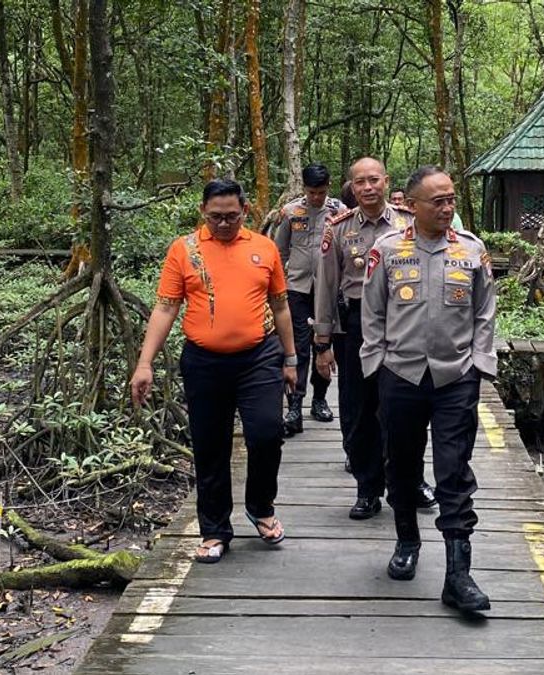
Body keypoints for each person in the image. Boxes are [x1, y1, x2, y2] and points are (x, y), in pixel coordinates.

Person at [130, 179, 298, 564]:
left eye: (232, 217)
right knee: (210, 445)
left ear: (246, 211)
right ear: (203, 212)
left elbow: (281, 306)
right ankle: (214, 528)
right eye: (216, 217)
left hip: (258, 357)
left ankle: (260, 505)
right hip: (204, 362)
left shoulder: (263, 247)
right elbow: (166, 308)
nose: (224, 224)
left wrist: (290, 359)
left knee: (266, 432)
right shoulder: (184, 250)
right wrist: (145, 363)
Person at [360, 165, 497, 612]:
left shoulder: (472, 251)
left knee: (454, 470)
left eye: (451, 198)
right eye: (437, 201)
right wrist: (376, 362)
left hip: (455, 376)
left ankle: (459, 575)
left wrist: (479, 365)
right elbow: (374, 313)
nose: (446, 207)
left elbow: (484, 313)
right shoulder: (387, 251)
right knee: (399, 464)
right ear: (412, 206)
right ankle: (406, 541)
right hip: (400, 375)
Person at [314, 157, 436, 519]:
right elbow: (325, 288)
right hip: (357, 325)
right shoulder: (338, 228)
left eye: (374, 180)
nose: (367, 188)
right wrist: (322, 342)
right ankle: (368, 488)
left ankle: (410, 481)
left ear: (386, 181)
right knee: (359, 410)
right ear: (350, 187)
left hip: (405, 325)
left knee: (407, 407)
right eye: (359, 182)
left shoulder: (409, 223)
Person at [272, 164, 344, 435]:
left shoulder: (339, 212)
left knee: (323, 346)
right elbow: (279, 252)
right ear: (304, 188)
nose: (317, 197)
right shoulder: (291, 213)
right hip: (297, 288)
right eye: (312, 192)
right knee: (298, 345)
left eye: (321, 192)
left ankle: (320, 399)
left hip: (328, 289)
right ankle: (294, 405)